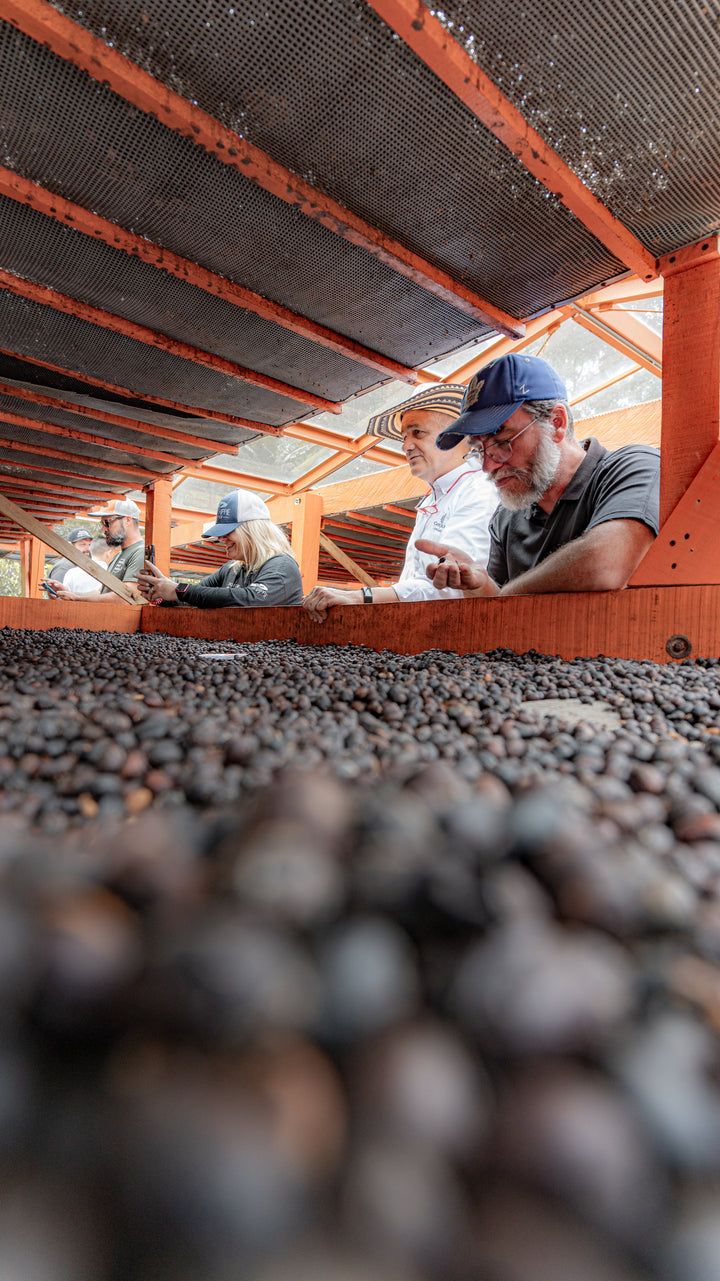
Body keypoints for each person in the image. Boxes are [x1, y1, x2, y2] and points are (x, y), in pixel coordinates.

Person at [418, 353, 660, 597]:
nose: (488, 467)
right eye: (479, 451)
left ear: (556, 423)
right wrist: (480, 586)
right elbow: (500, 615)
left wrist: (503, 598)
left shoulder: (632, 467)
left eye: (501, 442)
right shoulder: (505, 519)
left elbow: (605, 562)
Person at [302, 385, 496, 621]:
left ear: (456, 435)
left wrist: (361, 597)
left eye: (418, 433)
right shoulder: (433, 499)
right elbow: (414, 583)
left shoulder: (479, 491)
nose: (406, 445)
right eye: (405, 436)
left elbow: (450, 588)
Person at [137, 489, 303, 607]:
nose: (221, 538)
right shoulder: (231, 569)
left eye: (228, 531)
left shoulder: (282, 566)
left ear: (253, 531)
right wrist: (159, 593)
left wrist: (178, 589)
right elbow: (192, 597)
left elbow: (252, 599)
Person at [54, 498, 145, 602]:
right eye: (102, 523)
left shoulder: (140, 552)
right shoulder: (119, 555)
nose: (103, 529)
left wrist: (77, 598)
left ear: (127, 520)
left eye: (107, 523)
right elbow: (101, 593)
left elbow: (127, 598)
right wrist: (69, 594)